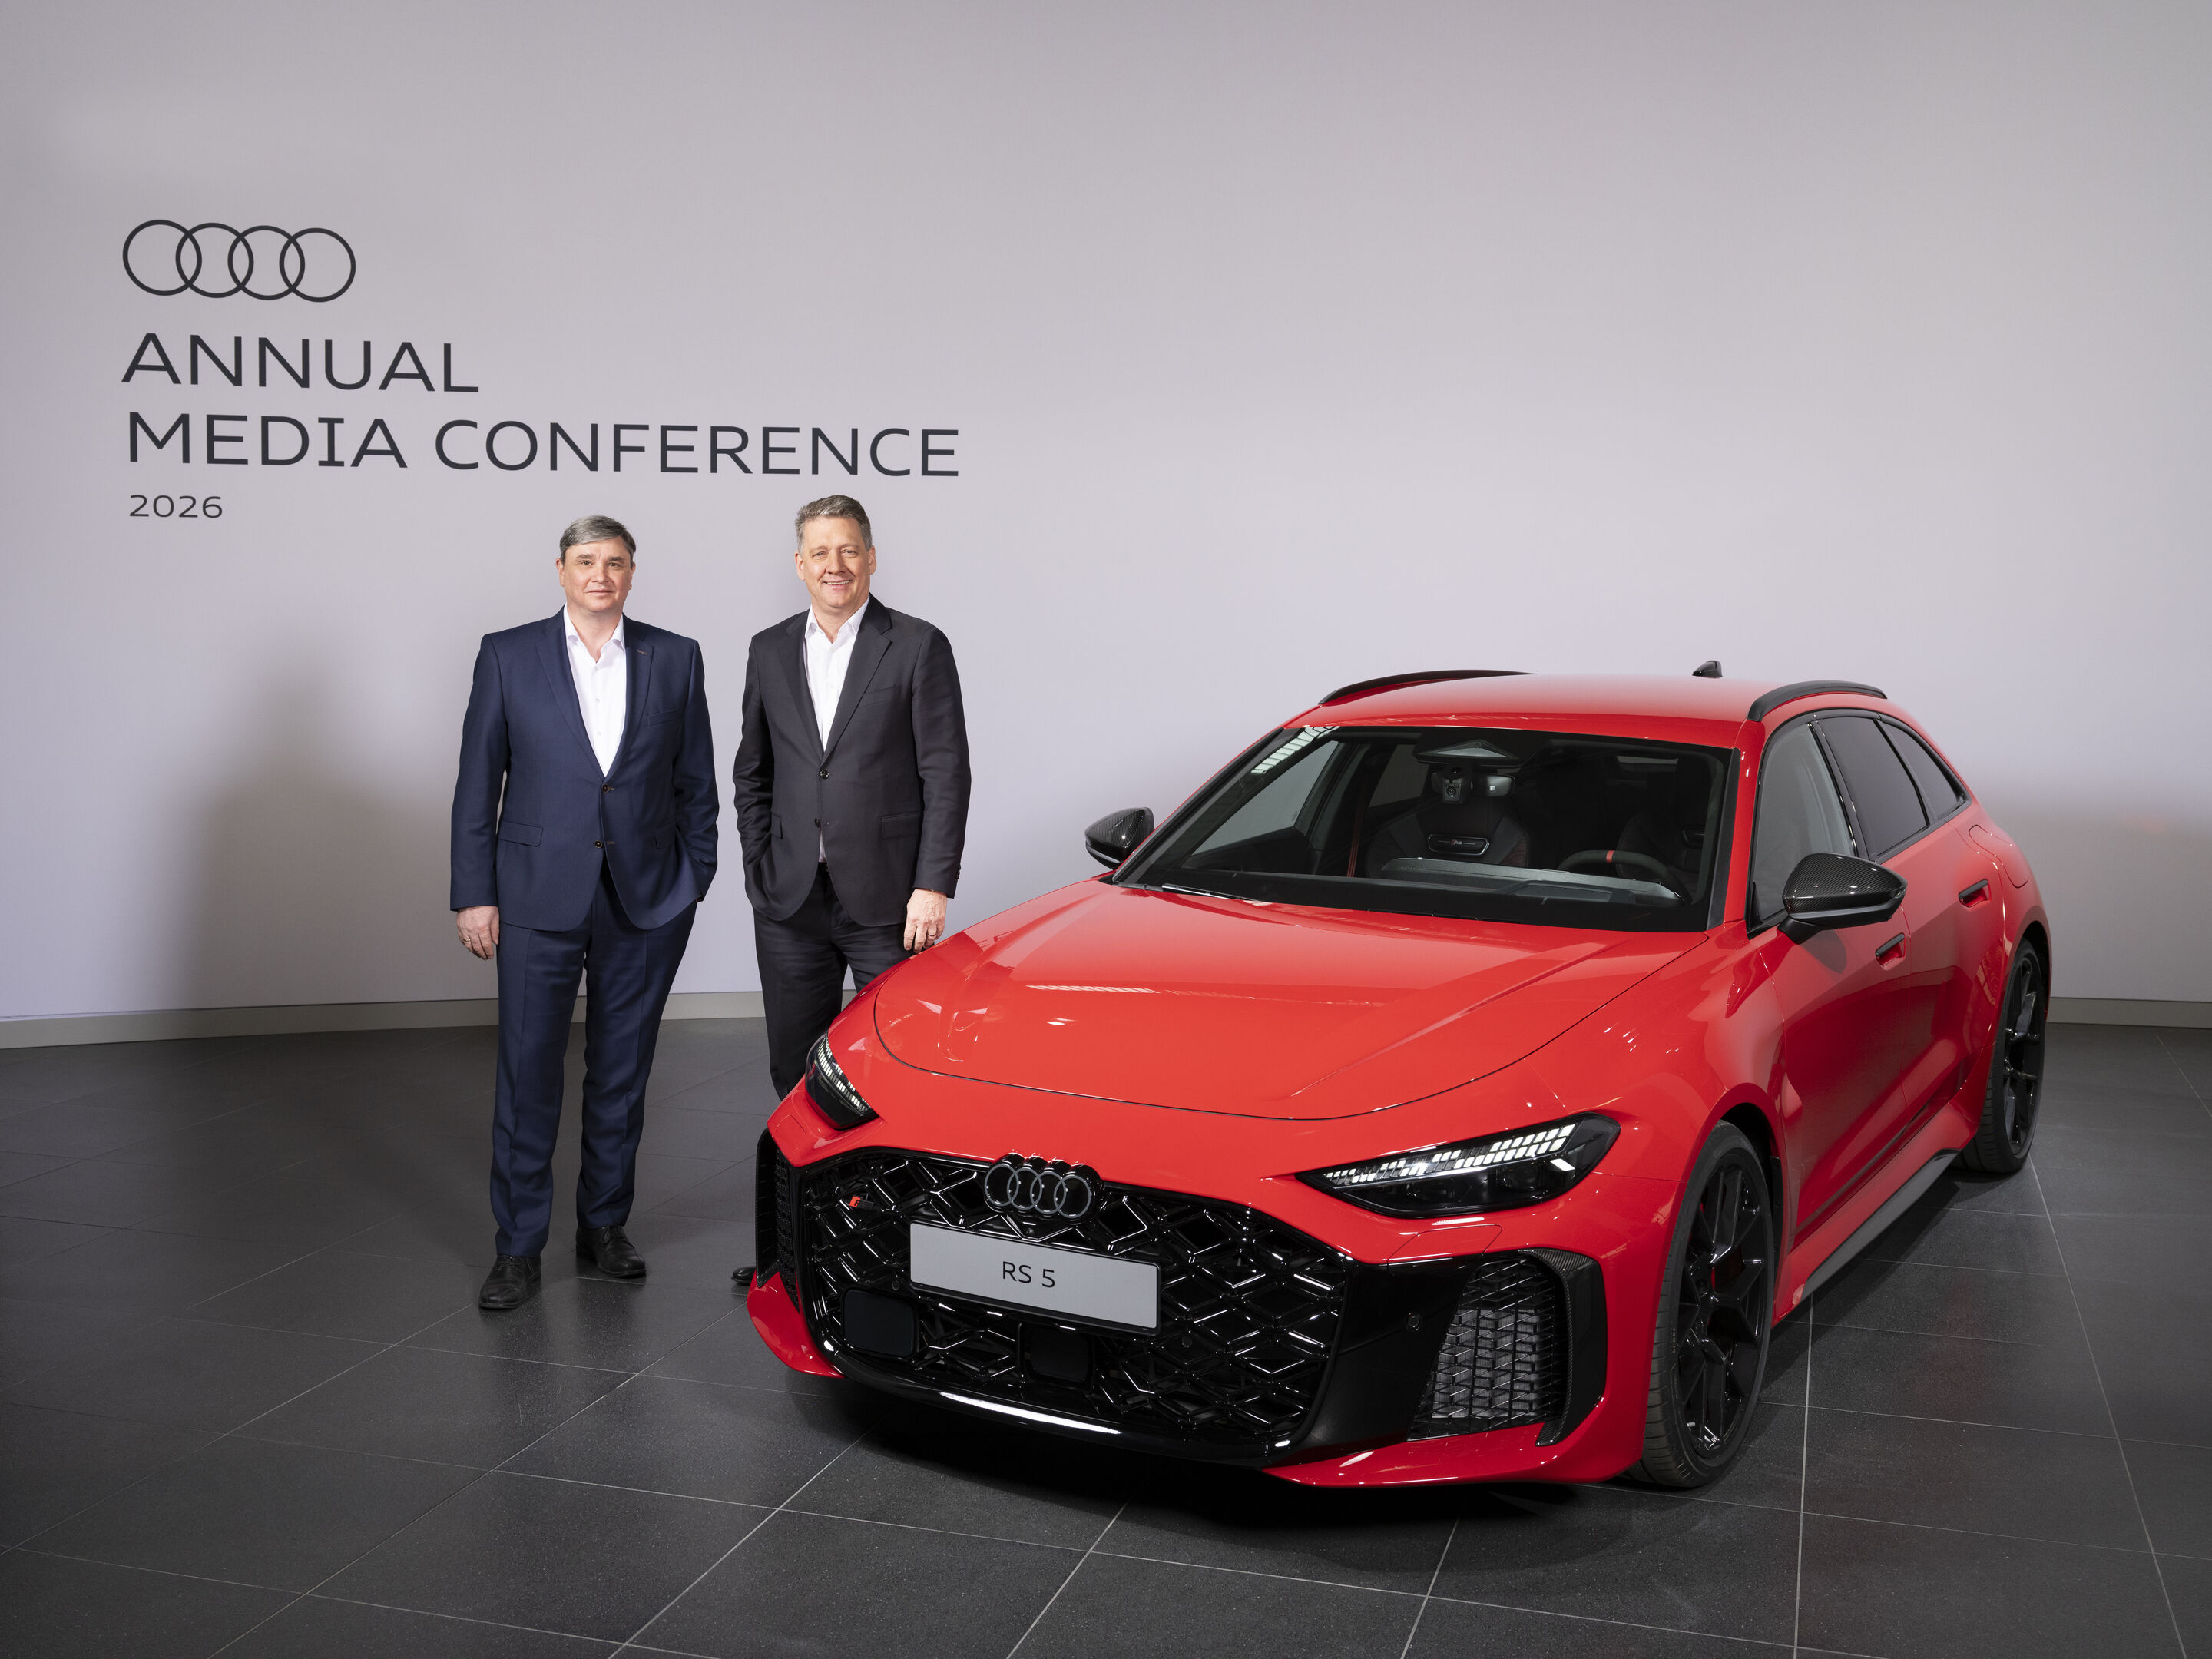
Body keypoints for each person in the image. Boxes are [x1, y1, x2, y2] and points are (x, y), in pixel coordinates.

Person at [450, 515, 717, 1310]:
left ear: (633, 573)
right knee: (528, 1075)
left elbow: (695, 781)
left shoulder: (675, 657)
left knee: (622, 1075)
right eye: (587, 561)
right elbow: (476, 783)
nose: (602, 575)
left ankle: (602, 1227)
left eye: (617, 563)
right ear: (560, 569)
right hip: (534, 895)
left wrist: (692, 878)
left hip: (646, 899)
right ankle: (519, 1247)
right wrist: (474, 891)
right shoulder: (508, 653)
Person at [732, 495, 971, 1098]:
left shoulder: (918, 645)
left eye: (847, 550)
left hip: (890, 899)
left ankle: (887, 1193)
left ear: (870, 558)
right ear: (799, 563)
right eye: (820, 552)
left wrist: (933, 885)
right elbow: (753, 771)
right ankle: (804, 1189)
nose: (833, 564)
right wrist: (759, 864)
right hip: (789, 898)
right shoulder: (769, 649)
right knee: (793, 1067)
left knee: (899, 1062)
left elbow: (946, 773)